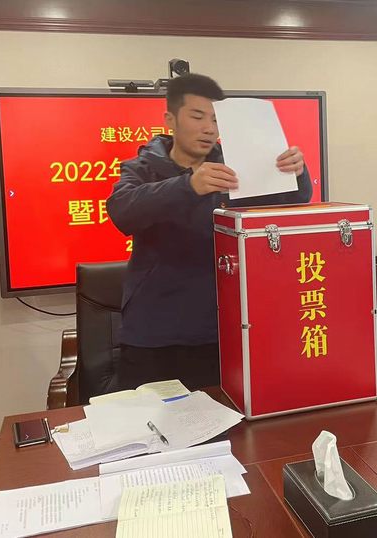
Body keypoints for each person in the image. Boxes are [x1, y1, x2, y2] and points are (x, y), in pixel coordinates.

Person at [107, 73, 312, 391]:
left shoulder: (236, 167)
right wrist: (188, 185)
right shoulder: (143, 168)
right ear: (171, 119)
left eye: (216, 120)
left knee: (225, 415)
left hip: (221, 328)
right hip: (154, 333)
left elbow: (292, 202)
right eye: (197, 116)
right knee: (150, 419)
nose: (208, 128)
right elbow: (122, 211)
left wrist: (296, 172)